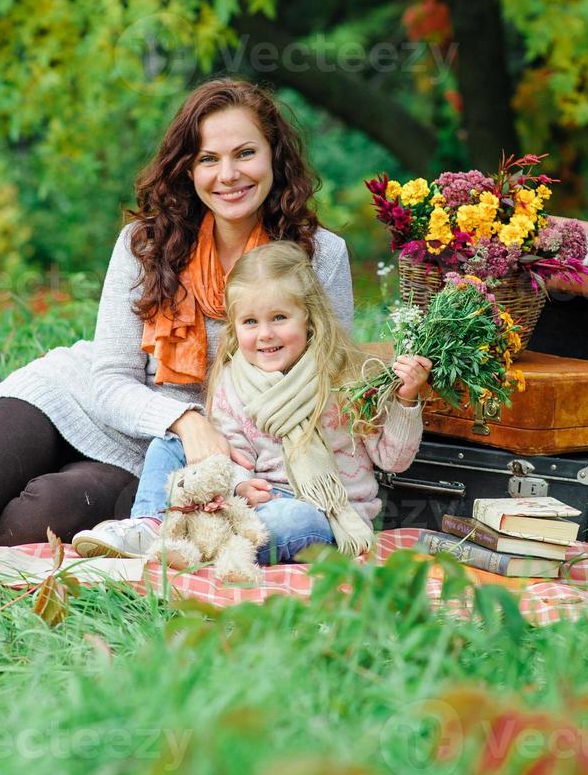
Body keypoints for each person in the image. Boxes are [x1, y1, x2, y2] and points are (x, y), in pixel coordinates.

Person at [0, 79, 354, 545]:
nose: (228, 174)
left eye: (245, 153)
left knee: (42, 518)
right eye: (208, 159)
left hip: (153, 456)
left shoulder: (319, 256)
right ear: (187, 168)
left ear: (274, 156)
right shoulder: (146, 244)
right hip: (76, 398)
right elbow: (108, 379)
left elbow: (328, 382)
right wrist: (186, 419)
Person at [72, 241, 430, 564]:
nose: (265, 334)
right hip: (249, 501)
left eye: (279, 317)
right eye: (250, 322)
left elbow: (392, 460)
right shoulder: (234, 381)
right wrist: (241, 486)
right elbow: (234, 451)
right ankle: (149, 525)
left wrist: (406, 402)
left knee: (291, 519)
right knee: (170, 443)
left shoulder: (347, 378)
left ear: (310, 319)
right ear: (235, 326)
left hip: (323, 511)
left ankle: (203, 542)